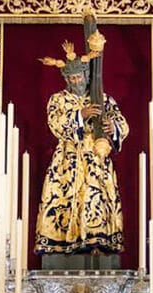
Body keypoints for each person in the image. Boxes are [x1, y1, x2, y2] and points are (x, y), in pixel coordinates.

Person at [35, 37, 128, 256]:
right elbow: (55, 124)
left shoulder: (102, 98)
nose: (76, 81)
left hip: (96, 156)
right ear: (66, 79)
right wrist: (80, 115)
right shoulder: (58, 100)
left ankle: (97, 241)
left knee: (96, 196)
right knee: (64, 198)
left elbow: (122, 123)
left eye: (79, 76)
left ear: (86, 76)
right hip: (68, 158)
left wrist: (111, 127)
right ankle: (62, 243)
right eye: (72, 77)